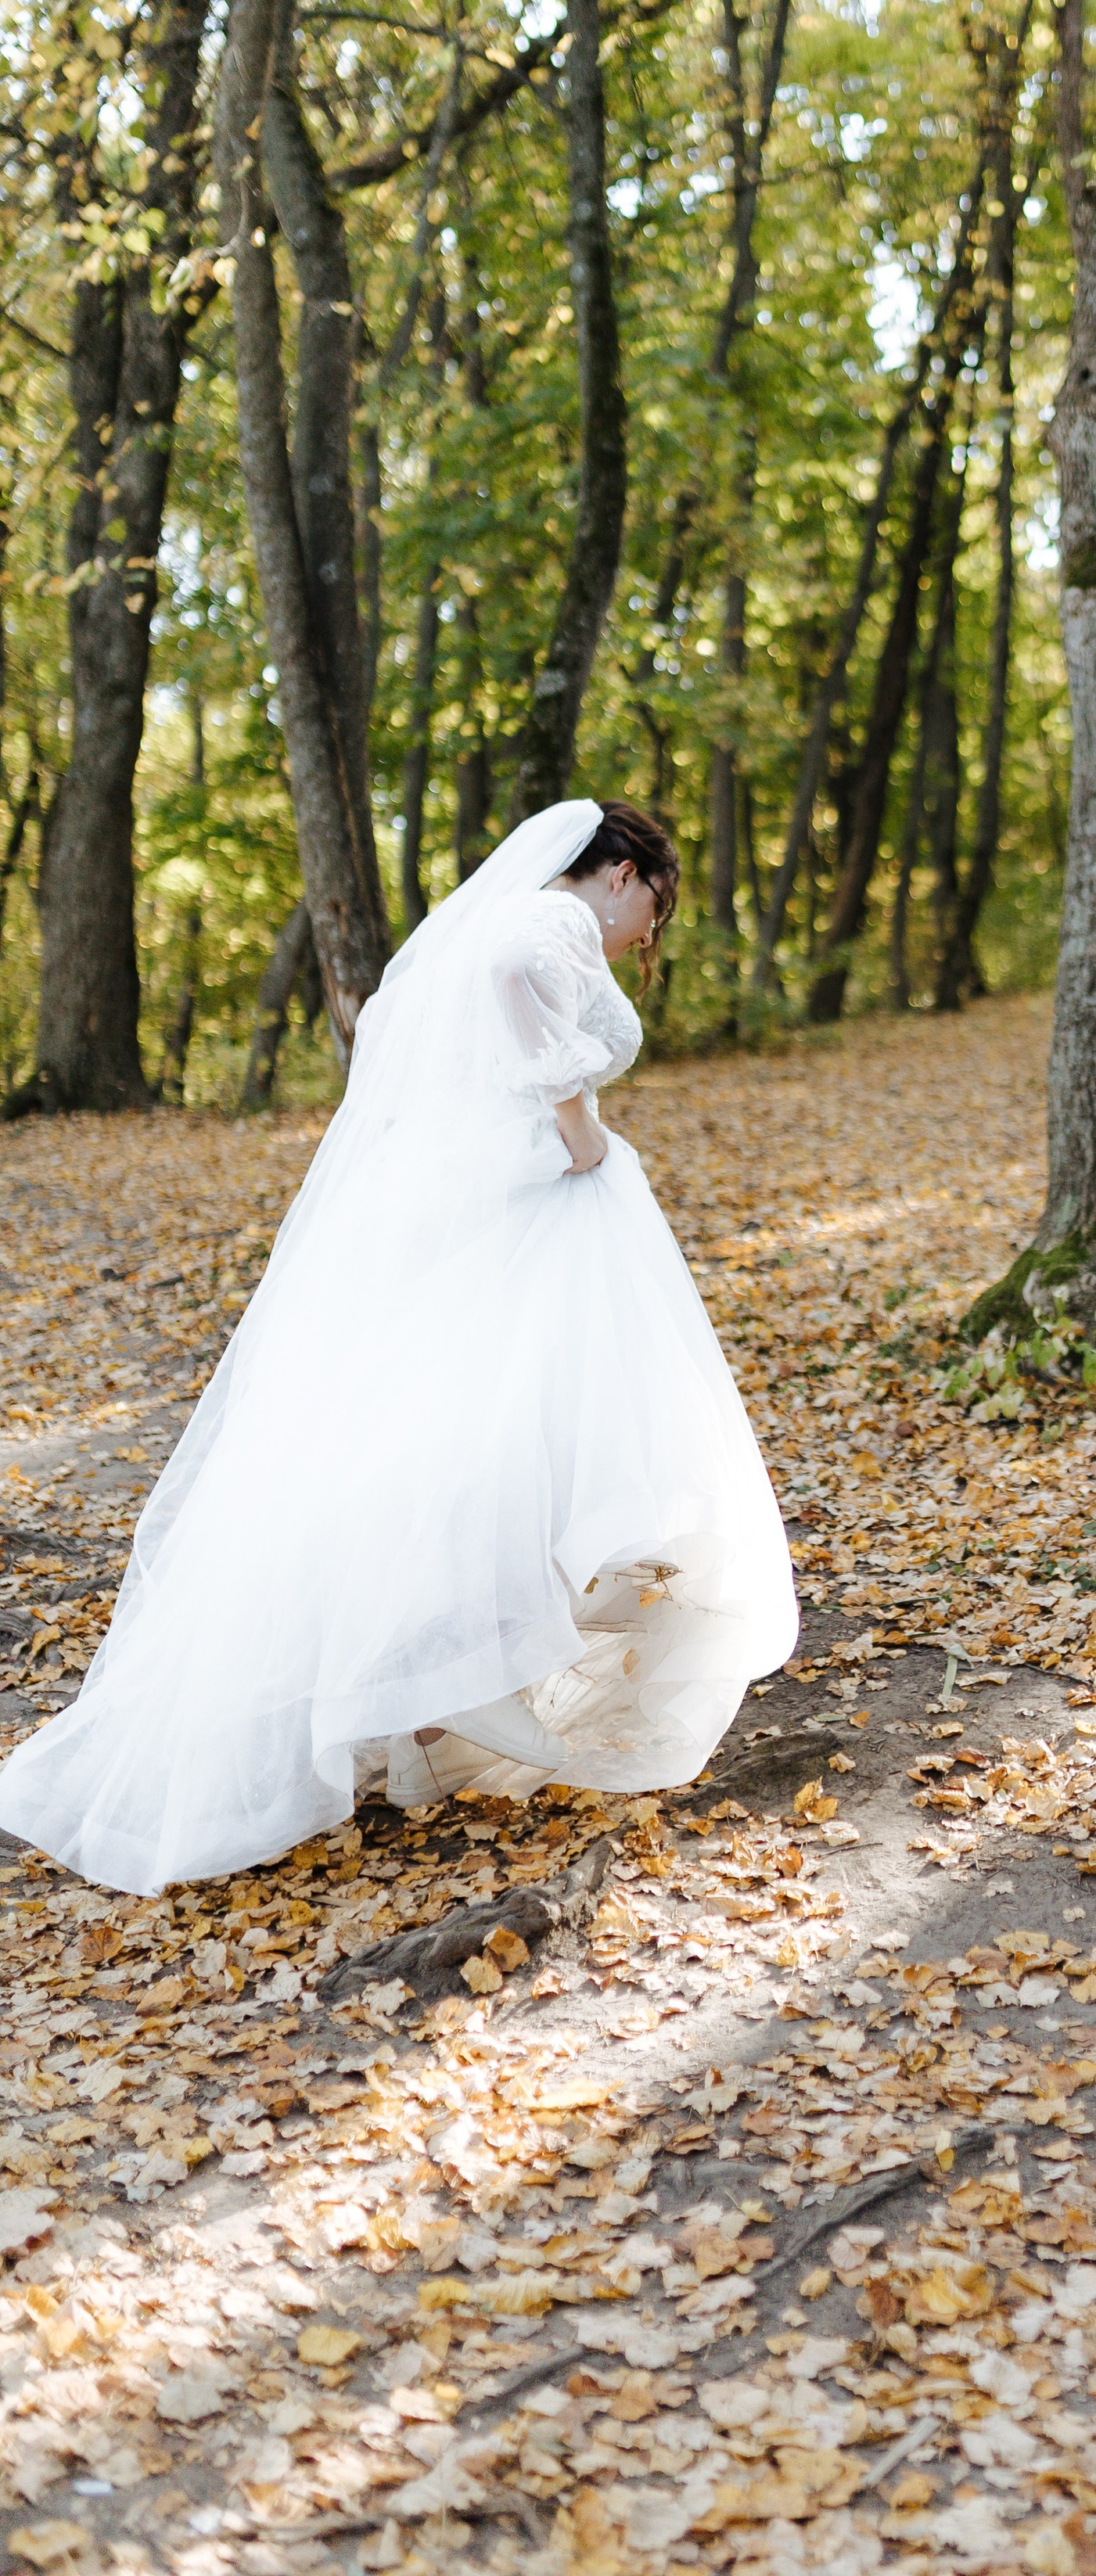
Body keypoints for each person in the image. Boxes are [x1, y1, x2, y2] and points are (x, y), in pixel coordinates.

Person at [0, 800, 797, 1894]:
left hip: (489, 1193)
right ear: (618, 874)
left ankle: (443, 1697)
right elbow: (519, 976)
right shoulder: (551, 919)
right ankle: (463, 1673)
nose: (643, 936)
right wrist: (576, 1122)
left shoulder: (497, 923)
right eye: (650, 910)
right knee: (516, 1429)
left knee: (466, 1424)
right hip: (534, 1195)